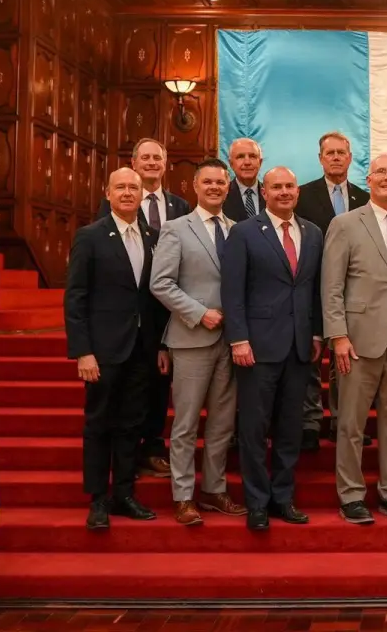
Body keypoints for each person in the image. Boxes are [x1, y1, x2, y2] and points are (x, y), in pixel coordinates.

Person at [321, 154, 387, 524]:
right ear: (368, 180)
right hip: (357, 340)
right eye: (380, 172)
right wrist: (338, 335)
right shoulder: (345, 224)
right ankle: (351, 495)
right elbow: (331, 286)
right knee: (351, 424)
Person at [222, 166, 324, 530]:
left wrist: (316, 334)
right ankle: (257, 503)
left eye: (289, 186)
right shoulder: (244, 232)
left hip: (299, 346)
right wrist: (238, 339)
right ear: (264, 193)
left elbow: (315, 289)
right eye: (276, 187)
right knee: (253, 429)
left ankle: (283, 498)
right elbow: (232, 291)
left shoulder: (313, 232)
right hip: (257, 347)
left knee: (290, 428)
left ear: (298, 192)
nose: (284, 192)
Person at [66, 167, 168, 530]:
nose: (127, 193)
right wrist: (83, 351)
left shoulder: (154, 237)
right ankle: (98, 499)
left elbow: (156, 298)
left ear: (142, 194)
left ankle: (124, 494)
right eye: (120, 187)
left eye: (133, 188)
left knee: (131, 424)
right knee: (100, 424)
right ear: (107, 193)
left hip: (142, 349)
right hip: (103, 350)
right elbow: (76, 297)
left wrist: (161, 345)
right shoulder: (90, 236)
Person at [148, 157, 247, 526]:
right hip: (191, 338)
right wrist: (199, 312)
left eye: (220, 182)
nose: (215, 188)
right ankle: (183, 495)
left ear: (228, 187)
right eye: (208, 182)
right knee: (186, 423)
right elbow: (161, 283)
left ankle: (213, 489)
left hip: (231, 340)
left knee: (222, 423)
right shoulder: (176, 229)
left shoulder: (238, 230)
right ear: (194, 186)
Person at [95, 138, 189, 479]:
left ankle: (152, 447)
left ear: (165, 164)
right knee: (126, 390)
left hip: (165, 311)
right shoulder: (113, 204)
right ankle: (123, 455)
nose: (151, 162)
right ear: (133, 163)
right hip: (125, 314)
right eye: (145, 157)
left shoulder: (180, 206)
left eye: (157, 158)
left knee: (158, 385)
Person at [296, 131, 371, 452]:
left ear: (350, 158)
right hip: (309, 286)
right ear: (320, 159)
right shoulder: (302, 195)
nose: (337, 157)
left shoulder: (364, 198)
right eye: (330, 153)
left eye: (342, 152)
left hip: (351, 291)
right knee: (310, 356)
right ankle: (311, 422)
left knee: (345, 361)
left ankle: (343, 422)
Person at [221, 138, 265, 221]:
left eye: (252, 156)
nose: (247, 162)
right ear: (231, 164)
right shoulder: (221, 195)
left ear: (260, 162)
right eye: (240, 157)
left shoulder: (271, 194)